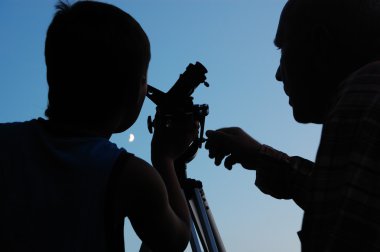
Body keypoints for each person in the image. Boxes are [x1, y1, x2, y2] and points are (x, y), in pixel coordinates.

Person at [0, 1, 193, 251]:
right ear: (135, 92)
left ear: (51, 76)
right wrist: (165, 159)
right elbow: (174, 239)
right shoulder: (132, 176)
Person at [205, 0, 380, 251]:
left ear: (320, 45)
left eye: (283, 50)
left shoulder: (364, 92)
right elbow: (346, 200)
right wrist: (262, 157)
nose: (278, 73)